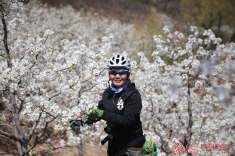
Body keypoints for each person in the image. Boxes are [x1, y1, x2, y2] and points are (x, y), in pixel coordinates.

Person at [70, 54, 150, 156]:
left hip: (133, 146)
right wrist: (81, 122)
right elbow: (96, 113)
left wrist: (102, 114)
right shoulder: (107, 93)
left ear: (128, 74)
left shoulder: (133, 95)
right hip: (114, 146)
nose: (117, 76)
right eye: (113, 72)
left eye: (121, 73)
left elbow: (127, 121)